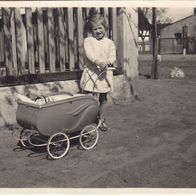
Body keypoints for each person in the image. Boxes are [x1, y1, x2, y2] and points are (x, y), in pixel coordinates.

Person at [80, 10, 116, 131]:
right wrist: (97, 61)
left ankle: (102, 119)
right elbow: (89, 54)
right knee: (88, 96)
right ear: (91, 31)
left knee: (103, 98)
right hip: (91, 72)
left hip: (104, 73)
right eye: (95, 29)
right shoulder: (88, 41)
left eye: (100, 28)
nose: (98, 31)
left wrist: (107, 62)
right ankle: (86, 120)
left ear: (105, 28)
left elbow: (112, 56)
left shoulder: (110, 43)